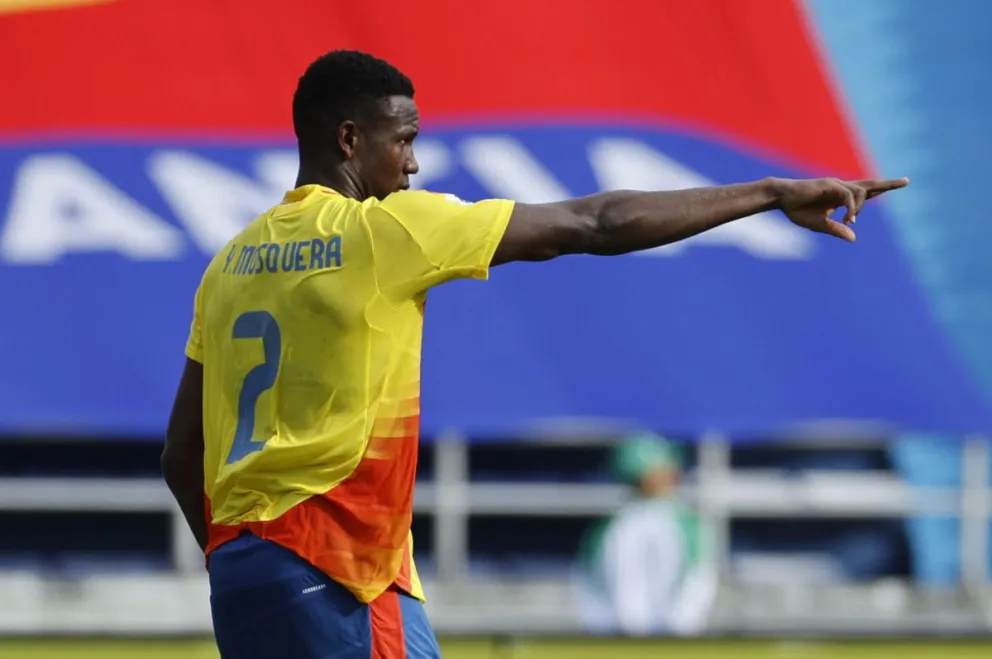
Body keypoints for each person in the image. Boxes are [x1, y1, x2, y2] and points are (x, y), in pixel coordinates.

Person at [160, 49, 908, 659]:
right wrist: (770, 192)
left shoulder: (229, 264)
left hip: (251, 571)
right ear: (350, 140)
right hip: (339, 566)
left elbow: (182, 450)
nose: (414, 165)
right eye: (405, 139)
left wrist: (235, 559)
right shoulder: (386, 232)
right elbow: (594, 221)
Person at [573, 434, 717, 636]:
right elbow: (590, 586)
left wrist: (678, 633)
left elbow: (697, 583)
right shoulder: (610, 527)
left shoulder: (687, 525)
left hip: (672, 642)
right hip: (617, 642)